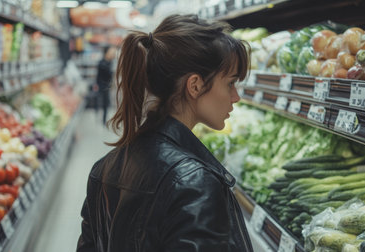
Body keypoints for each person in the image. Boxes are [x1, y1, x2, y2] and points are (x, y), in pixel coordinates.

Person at [77, 14, 253, 252]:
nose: (236, 97)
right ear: (195, 85)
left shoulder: (104, 167)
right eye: (231, 83)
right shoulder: (195, 185)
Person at [95, 46, 116, 125]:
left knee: (105, 104)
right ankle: (100, 118)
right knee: (102, 102)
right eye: (110, 53)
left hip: (107, 86)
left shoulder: (110, 62)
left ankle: (104, 119)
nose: (112, 55)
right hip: (102, 86)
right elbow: (105, 74)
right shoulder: (102, 63)